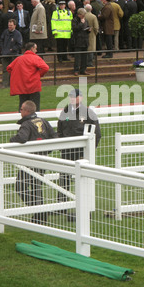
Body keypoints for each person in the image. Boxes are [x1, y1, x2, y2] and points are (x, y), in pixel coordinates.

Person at [10, 100, 57, 224]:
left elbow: (22, 138)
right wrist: (46, 152)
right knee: (37, 187)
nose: (20, 111)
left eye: (21, 109)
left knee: (21, 187)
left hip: (29, 161)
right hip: (42, 159)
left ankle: (39, 213)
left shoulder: (26, 124)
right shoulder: (43, 121)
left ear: (26, 111)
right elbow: (55, 137)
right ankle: (40, 215)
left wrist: (11, 140)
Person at [57, 89, 101, 219]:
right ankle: (61, 206)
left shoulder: (88, 113)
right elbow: (60, 130)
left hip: (82, 152)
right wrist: (61, 146)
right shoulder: (64, 112)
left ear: (81, 98)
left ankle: (85, 207)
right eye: (70, 97)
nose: (72, 99)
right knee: (64, 177)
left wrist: (89, 151)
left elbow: (96, 133)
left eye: (75, 97)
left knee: (83, 179)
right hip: (67, 150)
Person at [7, 41, 49, 111]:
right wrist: (39, 74)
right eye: (35, 49)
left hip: (22, 87)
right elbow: (46, 68)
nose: (36, 50)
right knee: (35, 108)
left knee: (22, 107)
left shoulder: (19, 59)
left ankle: (23, 121)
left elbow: (9, 68)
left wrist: (18, 75)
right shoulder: (35, 58)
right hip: (34, 86)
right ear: (32, 48)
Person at [0, 18, 23, 88]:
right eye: (9, 25)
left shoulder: (17, 34)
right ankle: (5, 84)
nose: (9, 27)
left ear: (15, 26)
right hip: (5, 54)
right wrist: (3, 49)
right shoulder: (5, 32)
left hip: (13, 55)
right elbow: (1, 40)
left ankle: (13, 84)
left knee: (13, 71)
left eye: (11, 25)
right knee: (5, 70)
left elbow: (19, 45)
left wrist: (12, 49)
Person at [72, 8, 90, 76]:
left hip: (85, 40)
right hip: (78, 40)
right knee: (77, 57)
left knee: (85, 57)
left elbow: (87, 26)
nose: (84, 16)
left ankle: (83, 69)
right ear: (79, 14)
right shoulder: (74, 20)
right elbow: (75, 29)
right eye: (83, 15)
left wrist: (88, 30)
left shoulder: (86, 20)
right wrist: (81, 24)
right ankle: (76, 70)